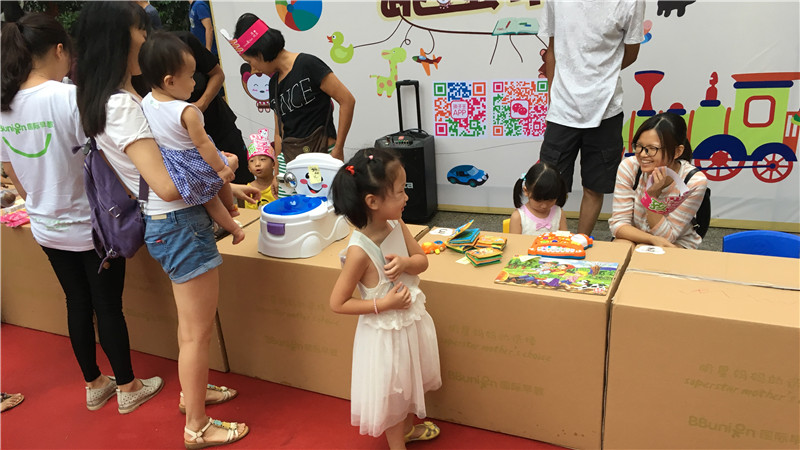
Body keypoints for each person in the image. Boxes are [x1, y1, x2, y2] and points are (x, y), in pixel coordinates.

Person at [74, 2, 248, 446]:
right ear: (120, 38)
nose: (145, 38)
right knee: (196, 333)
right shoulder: (123, 105)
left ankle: (193, 395)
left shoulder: (117, 99)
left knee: (191, 328)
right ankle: (197, 425)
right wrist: (223, 171)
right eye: (139, 30)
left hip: (170, 222)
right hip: (177, 220)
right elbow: (167, 186)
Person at [1, 12, 163, 414]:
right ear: (60, 50)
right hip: (92, 225)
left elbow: (15, 176)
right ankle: (128, 386)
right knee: (107, 306)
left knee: (76, 302)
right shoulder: (69, 97)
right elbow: (107, 159)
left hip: (45, 224)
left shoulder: (4, 107)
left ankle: (94, 383)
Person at [329, 148, 441, 450]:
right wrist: (384, 304)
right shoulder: (359, 252)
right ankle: (397, 444)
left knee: (409, 384)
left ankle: (408, 429)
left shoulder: (396, 224)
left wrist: (405, 263)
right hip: (384, 336)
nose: (407, 197)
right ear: (373, 201)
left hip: (409, 325)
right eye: (400, 191)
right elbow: (338, 303)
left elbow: (422, 261)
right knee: (392, 395)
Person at [538, 0, 645, 236]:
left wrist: (600, 75)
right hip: (562, 108)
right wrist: (552, 95)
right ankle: (550, 243)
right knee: (549, 185)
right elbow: (552, 48)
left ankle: (581, 241)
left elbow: (632, 52)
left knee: (594, 187)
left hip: (606, 108)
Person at [230, 13, 355, 198]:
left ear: (260, 54)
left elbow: (347, 100)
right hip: (289, 161)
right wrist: (277, 172)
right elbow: (279, 131)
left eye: (250, 62)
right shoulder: (273, 84)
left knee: (325, 205)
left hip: (320, 155)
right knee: (290, 207)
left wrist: (338, 149)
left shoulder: (308, 64)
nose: (253, 69)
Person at [138, 31, 245, 245]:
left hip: (173, 163)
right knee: (220, 180)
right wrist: (222, 168)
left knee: (209, 200)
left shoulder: (146, 101)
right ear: (170, 81)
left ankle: (233, 228)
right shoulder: (186, 111)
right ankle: (232, 212)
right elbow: (202, 143)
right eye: (190, 77)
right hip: (196, 157)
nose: (194, 83)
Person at [608, 112, 708, 249]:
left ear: (677, 152)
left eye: (652, 149)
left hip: (674, 243)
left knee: (661, 255)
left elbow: (667, 238)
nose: (642, 154)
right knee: (619, 248)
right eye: (639, 146)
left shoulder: (693, 181)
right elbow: (619, 224)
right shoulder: (630, 167)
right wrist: (650, 239)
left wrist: (652, 197)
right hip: (635, 235)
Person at [509, 161, 568, 235]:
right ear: (526, 191)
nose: (544, 206)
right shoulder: (518, 217)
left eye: (550, 200)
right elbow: (515, 241)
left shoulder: (559, 213)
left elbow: (565, 239)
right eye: (538, 200)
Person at [243, 129, 276, 210]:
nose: (257, 164)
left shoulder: (278, 185)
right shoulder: (249, 189)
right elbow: (250, 213)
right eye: (252, 161)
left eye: (262, 159)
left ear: (273, 164)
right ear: (249, 168)